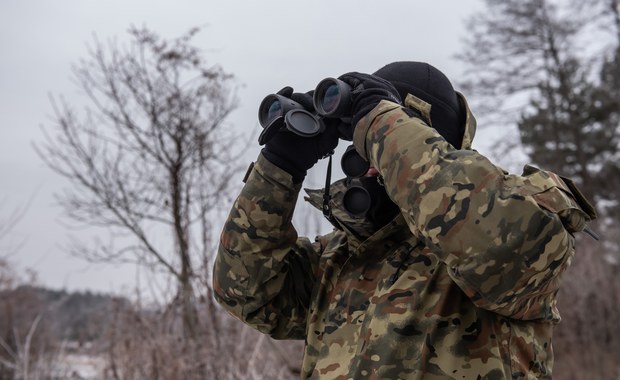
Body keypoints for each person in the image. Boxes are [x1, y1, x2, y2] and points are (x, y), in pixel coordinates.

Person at [213, 61, 596, 379]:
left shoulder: (517, 219)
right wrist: (280, 166)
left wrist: (379, 119)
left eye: (380, 141)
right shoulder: (339, 258)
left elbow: (490, 243)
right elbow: (246, 292)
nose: (369, 161)